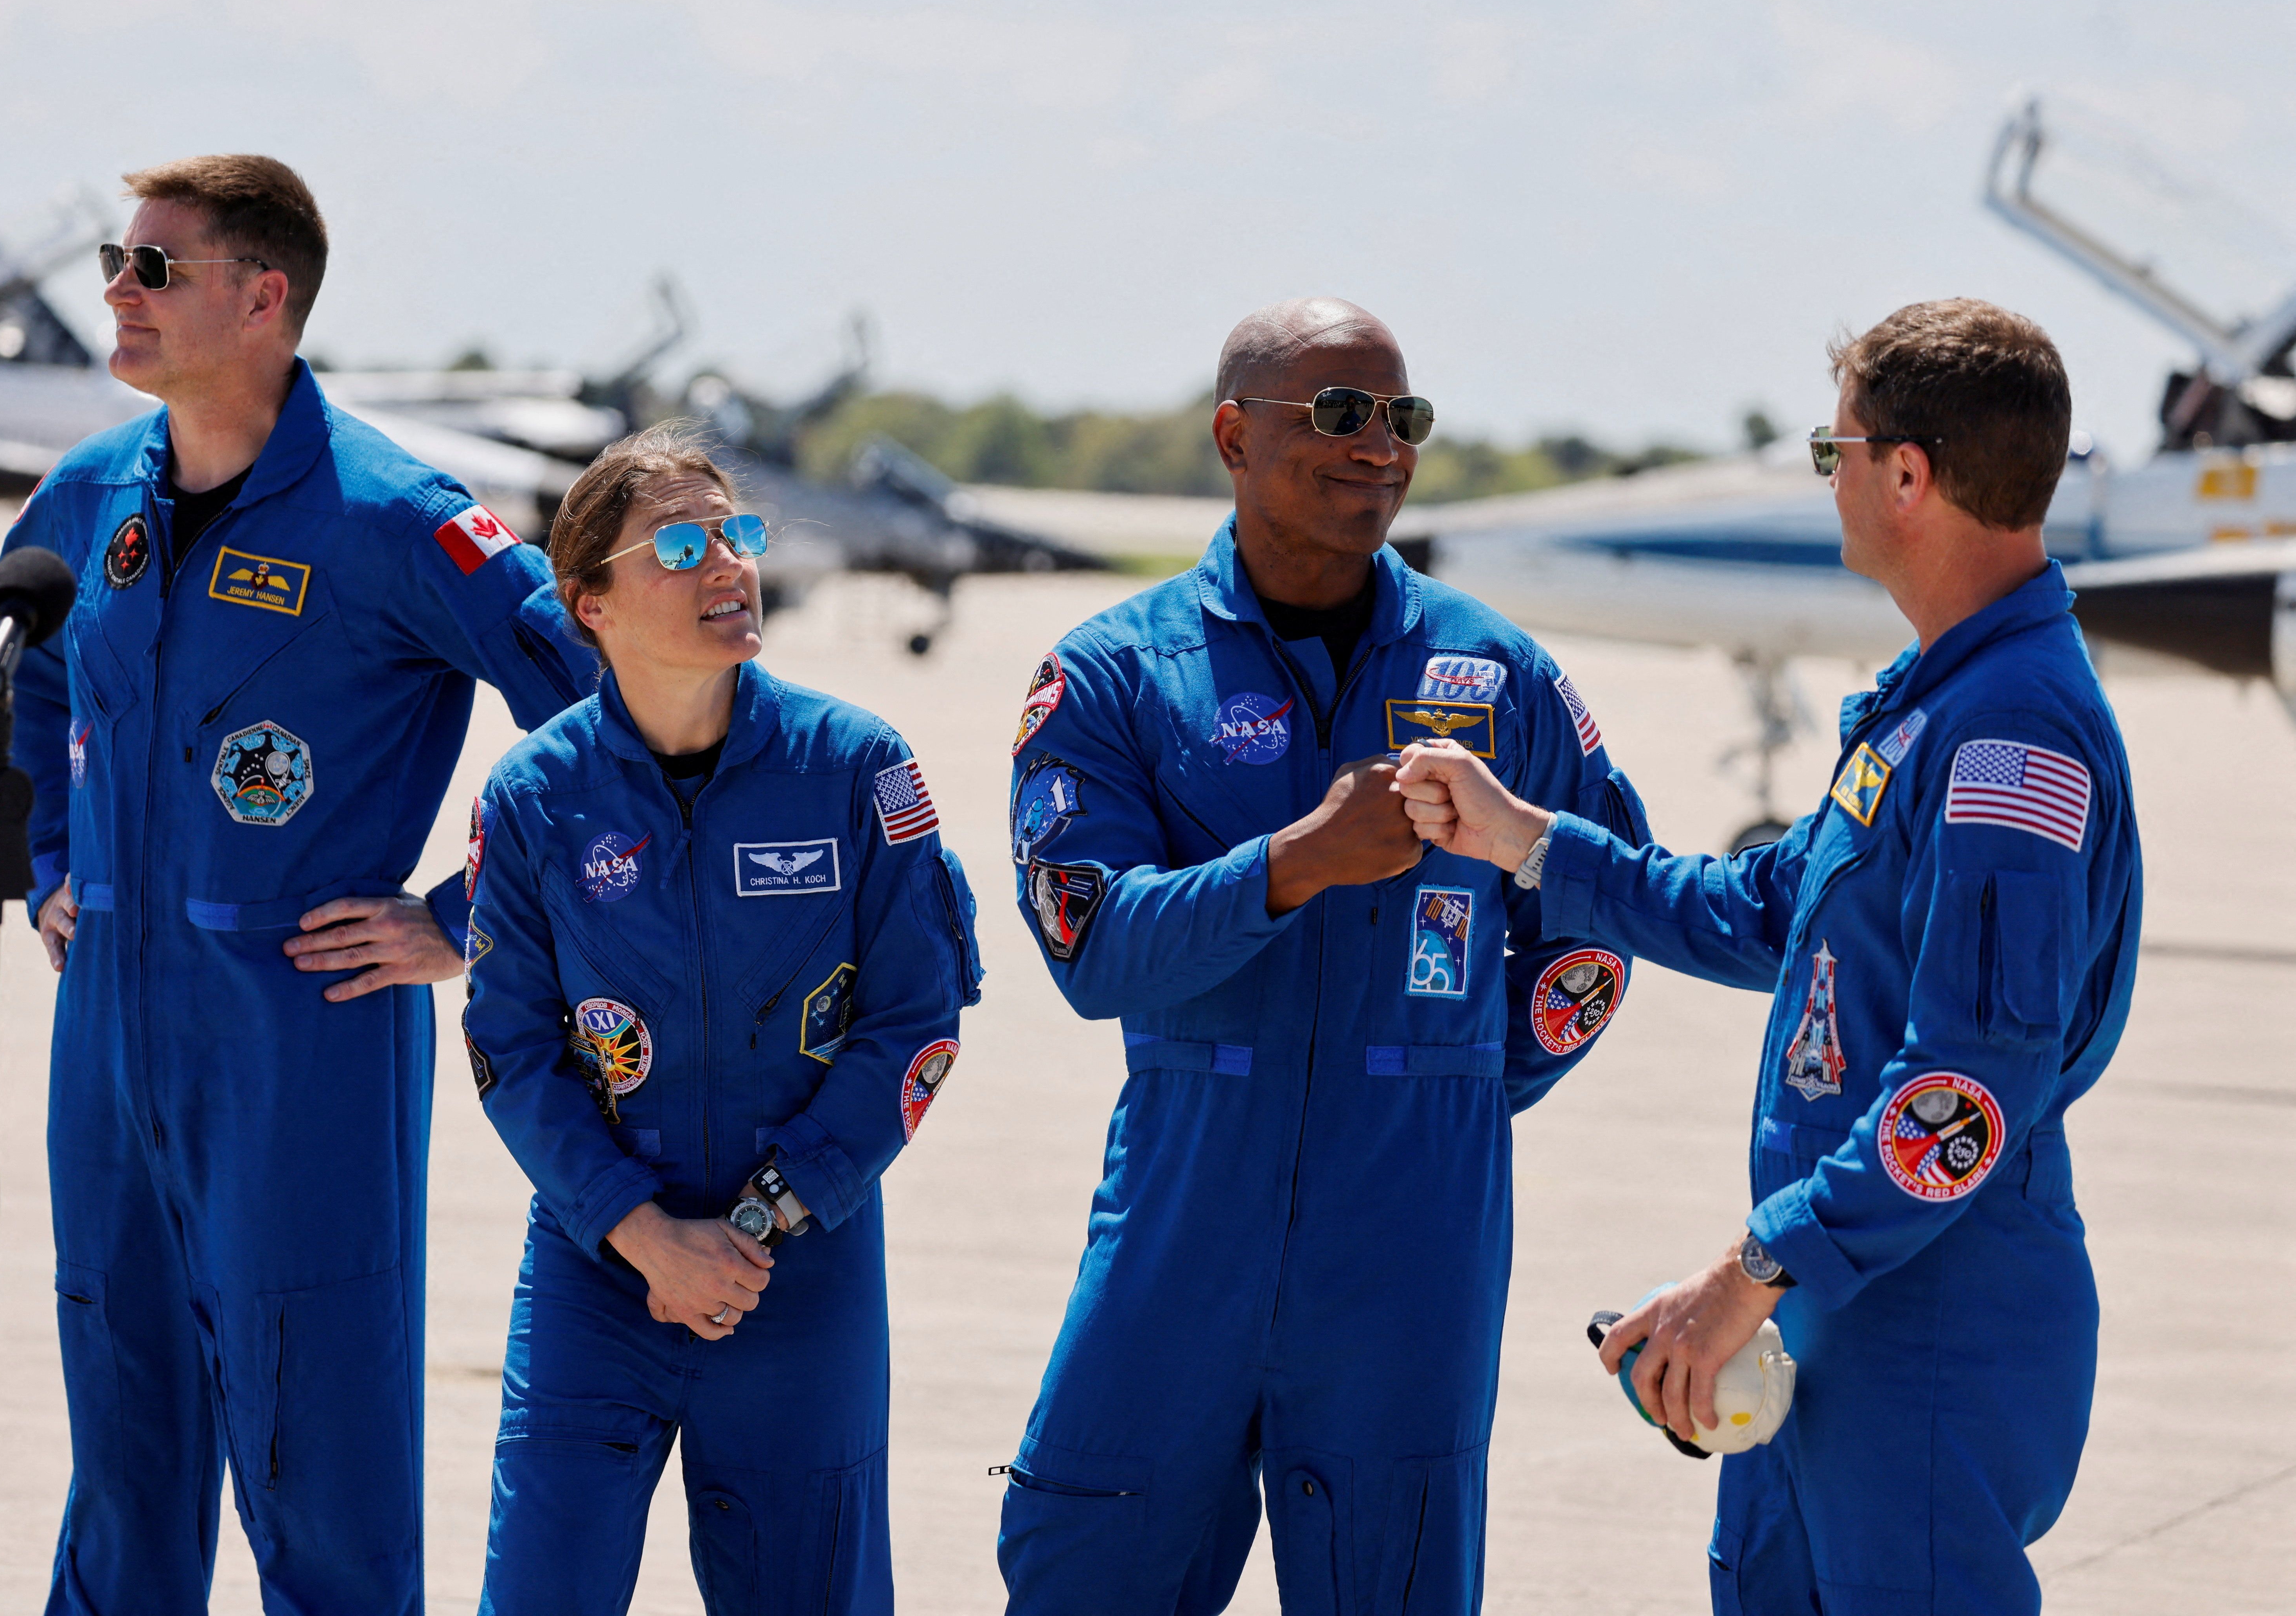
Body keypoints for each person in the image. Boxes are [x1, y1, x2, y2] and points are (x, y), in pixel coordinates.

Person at [1397, 299, 2141, 1616]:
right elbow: (1761, 909)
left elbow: (1959, 1100)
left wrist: (1748, 1277)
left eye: (1832, 448)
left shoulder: (2006, 740)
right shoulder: (1933, 705)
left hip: (1927, 1322)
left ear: (1906, 474)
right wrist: (1526, 841)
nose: (1829, 478)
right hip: (1840, 1303)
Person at [994, 298, 1651, 1613]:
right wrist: (1295, 862)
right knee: (1086, 1568)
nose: (1380, 447)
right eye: (1340, 414)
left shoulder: (1495, 674)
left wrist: (1454, 1081)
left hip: (1410, 1252)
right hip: (1180, 1238)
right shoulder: (1115, 675)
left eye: (1403, 419)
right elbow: (1093, 951)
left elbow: (1598, 922)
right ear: (1234, 434)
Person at [1, 155, 593, 1614]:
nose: (115, 294)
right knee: (123, 1421)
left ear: (264, 297)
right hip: (112, 1038)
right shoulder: (89, 497)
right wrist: (53, 868)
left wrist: (462, 920)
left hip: (303, 1036)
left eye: (156, 269)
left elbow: (602, 725)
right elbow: (32, 686)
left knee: (316, 1442)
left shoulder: (396, 517)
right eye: (115, 261)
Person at [461, 422, 983, 1614]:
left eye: (737, 536)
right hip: (603, 1267)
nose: (729, 567)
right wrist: (644, 1235)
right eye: (683, 545)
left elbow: (916, 1018)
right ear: (589, 603)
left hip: (798, 1270)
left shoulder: (856, 766)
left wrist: (753, 1224)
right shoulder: (537, 797)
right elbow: (511, 1047)